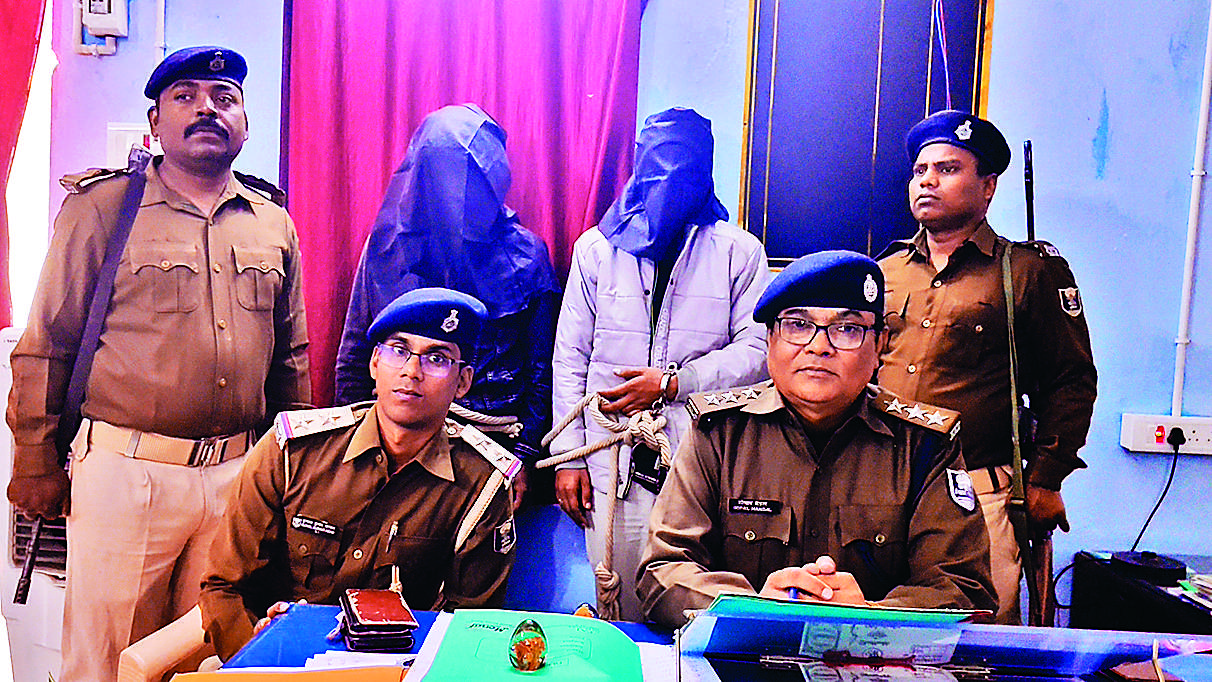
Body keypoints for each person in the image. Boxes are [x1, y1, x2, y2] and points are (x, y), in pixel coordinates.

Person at [4, 46, 309, 682]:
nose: (206, 110)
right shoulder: (104, 209)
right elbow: (48, 341)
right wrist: (33, 456)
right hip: (127, 472)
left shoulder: (272, 223)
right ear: (155, 122)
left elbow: (291, 359)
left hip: (236, 476)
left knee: (208, 653)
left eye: (224, 99)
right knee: (107, 658)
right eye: (185, 97)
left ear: (246, 122)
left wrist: (292, 469)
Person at [637, 250, 996, 629]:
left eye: (848, 329)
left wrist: (869, 615)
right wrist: (753, 608)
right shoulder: (719, 434)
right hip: (740, 653)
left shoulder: (924, 445)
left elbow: (964, 588)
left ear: (880, 345)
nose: (819, 346)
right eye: (797, 325)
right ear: (770, 340)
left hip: (877, 657)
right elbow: (663, 570)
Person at [200, 288, 517, 660]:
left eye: (437, 358)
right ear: (374, 364)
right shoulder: (292, 452)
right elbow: (225, 587)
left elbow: (469, 626)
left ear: (462, 382)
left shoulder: (483, 485)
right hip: (280, 662)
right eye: (398, 350)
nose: (411, 372)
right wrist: (257, 656)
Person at [877, 110, 1097, 623]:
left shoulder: (1026, 271)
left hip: (975, 490)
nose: (927, 180)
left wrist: (1046, 479)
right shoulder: (884, 272)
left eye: (948, 169)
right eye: (920, 170)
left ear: (988, 187)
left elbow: (1070, 381)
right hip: (880, 489)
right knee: (875, 628)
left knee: (977, 635)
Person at [551, 107, 770, 620]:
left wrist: (675, 383)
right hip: (612, 461)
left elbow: (758, 353)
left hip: (703, 459)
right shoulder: (596, 250)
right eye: (657, 163)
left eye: (682, 165)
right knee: (620, 599)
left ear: (705, 169)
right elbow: (570, 356)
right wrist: (568, 457)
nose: (668, 180)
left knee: (693, 601)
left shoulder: (738, 252)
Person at [336, 103, 559, 506]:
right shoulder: (386, 249)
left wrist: (525, 456)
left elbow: (543, 370)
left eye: (474, 180)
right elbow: (355, 356)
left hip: (495, 446)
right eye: (446, 177)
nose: (459, 194)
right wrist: (354, 449)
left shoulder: (527, 256)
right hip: (397, 442)